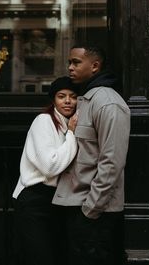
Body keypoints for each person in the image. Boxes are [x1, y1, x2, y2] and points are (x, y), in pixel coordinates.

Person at [52, 44, 131, 265]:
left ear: (95, 66)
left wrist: (91, 210)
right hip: (77, 208)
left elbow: (112, 162)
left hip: (95, 213)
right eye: (69, 62)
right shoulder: (85, 99)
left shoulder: (108, 102)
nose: (70, 67)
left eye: (76, 62)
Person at [12, 76, 79, 265]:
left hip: (56, 201)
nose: (67, 101)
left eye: (73, 96)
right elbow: (50, 167)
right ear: (53, 100)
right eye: (61, 96)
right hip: (34, 199)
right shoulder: (43, 121)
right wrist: (72, 135)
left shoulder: (69, 123)